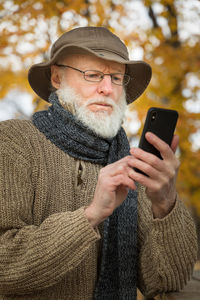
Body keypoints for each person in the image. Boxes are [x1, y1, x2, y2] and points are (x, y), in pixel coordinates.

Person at [0, 26, 197, 300]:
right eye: (93, 75)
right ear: (57, 77)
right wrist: (91, 215)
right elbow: (4, 266)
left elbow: (166, 280)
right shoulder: (13, 140)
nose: (107, 89)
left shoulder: (130, 161)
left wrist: (165, 203)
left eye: (117, 78)